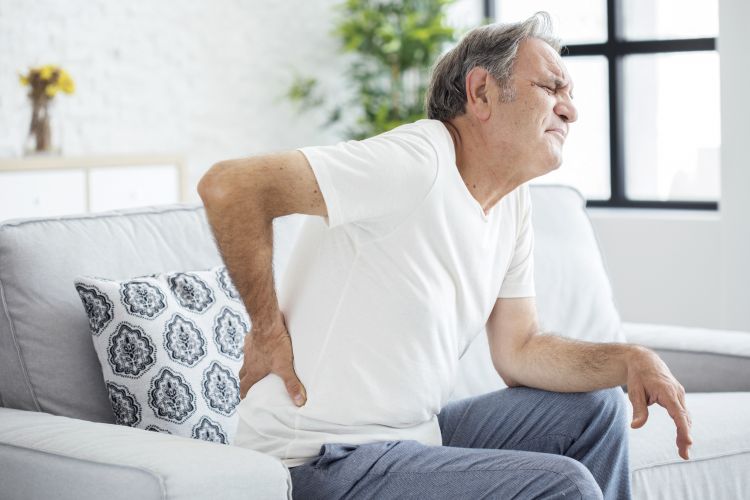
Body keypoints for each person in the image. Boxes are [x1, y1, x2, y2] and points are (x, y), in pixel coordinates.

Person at [197, 12, 692, 500]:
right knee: (564, 485)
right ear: (481, 93)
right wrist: (265, 328)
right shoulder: (416, 161)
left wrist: (631, 359)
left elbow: (519, 350)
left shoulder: (511, 202)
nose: (571, 110)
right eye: (551, 87)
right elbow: (230, 188)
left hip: (414, 441)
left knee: (598, 409)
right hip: (319, 459)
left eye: (569, 95)